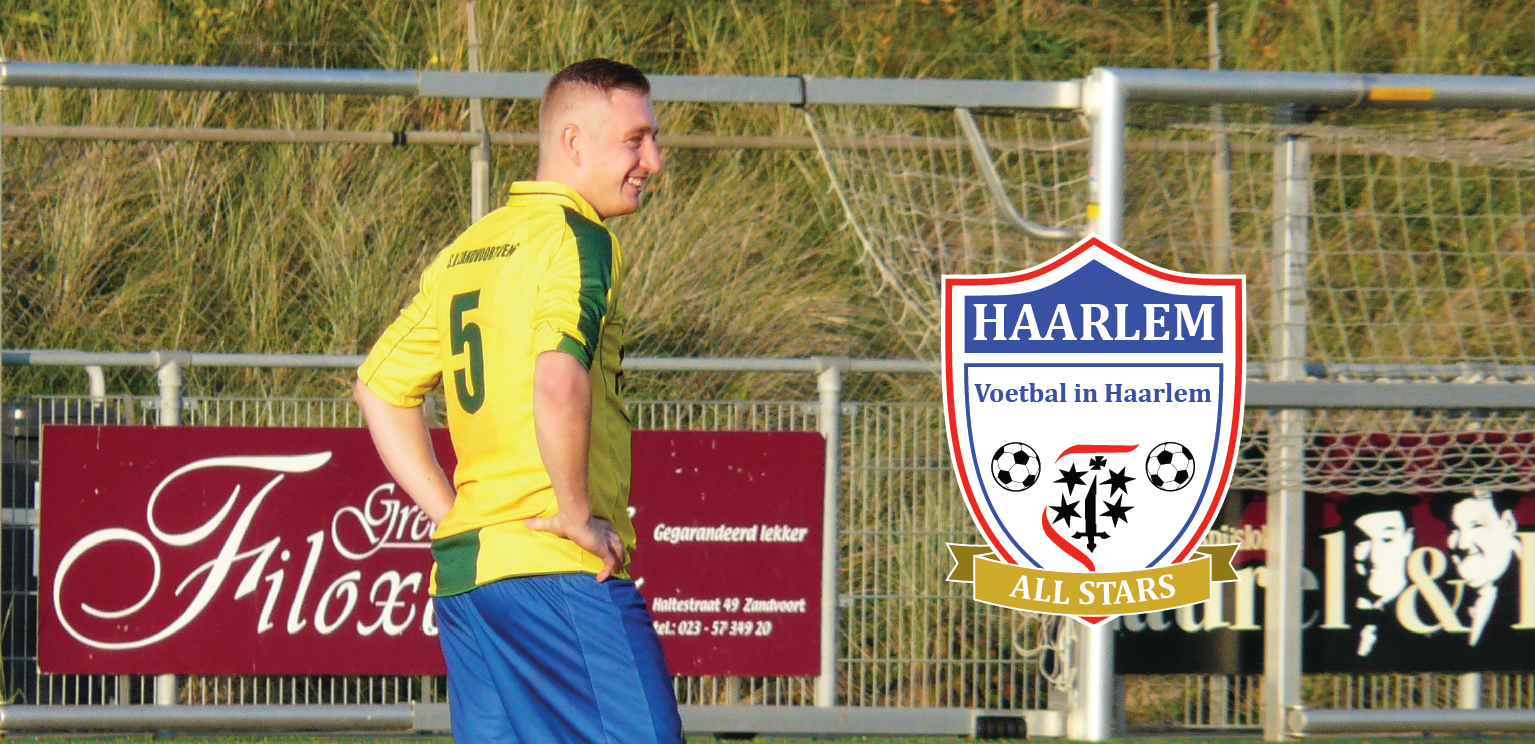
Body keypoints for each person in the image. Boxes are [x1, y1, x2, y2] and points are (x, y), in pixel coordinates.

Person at [353, 58, 680, 743]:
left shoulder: (469, 248)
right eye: (635, 139)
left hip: (471, 579)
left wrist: (455, 514)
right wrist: (574, 516)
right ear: (571, 142)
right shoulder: (579, 239)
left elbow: (378, 388)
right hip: (554, 569)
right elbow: (558, 377)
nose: (652, 160)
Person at [1430, 489, 1524, 653]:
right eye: (1454, 529)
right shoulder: (1443, 597)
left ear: (1508, 523)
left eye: (1476, 526)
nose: (1462, 544)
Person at [1336, 494, 1419, 659]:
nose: (1372, 556)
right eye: (1361, 541)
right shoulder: (1337, 611)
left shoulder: (1426, 613)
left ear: (1408, 540)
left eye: (1386, 539)